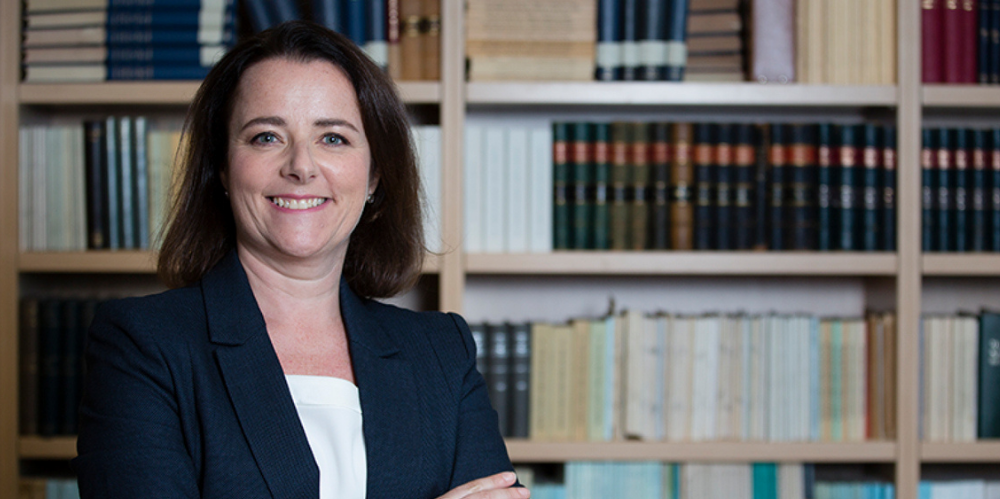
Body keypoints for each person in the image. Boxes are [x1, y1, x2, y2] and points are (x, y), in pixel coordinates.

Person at [73, 21, 526, 499]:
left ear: (374, 175)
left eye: (333, 138)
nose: (301, 166)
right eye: (267, 137)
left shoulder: (441, 352)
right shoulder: (144, 345)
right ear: (223, 168)